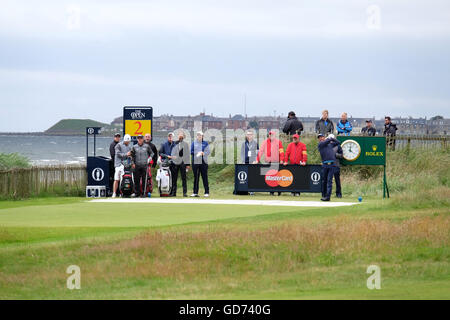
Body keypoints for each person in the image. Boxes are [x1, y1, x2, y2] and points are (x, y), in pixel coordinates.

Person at [255, 130, 285, 196]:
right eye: (270, 134)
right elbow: (261, 152)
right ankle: (271, 192)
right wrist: (257, 160)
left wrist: (282, 160)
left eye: (272, 135)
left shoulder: (278, 142)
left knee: (277, 177)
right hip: (268, 162)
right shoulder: (265, 142)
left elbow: (281, 152)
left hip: (276, 162)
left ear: (274, 135)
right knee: (270, 178)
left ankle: (279, 191)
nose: (271, 136)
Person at [317, 133, 341, 201]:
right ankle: (324, 195)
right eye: (319, 137)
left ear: (324, 137)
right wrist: (329, 138)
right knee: (324, 181)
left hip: (332, 164)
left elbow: (338, 142)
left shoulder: (330, 144)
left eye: (322, 137)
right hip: (325, 164)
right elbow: (326, 141)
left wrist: (332, 138)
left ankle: (328, 197)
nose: (321, 138)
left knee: (329, 181)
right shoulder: (320, 144)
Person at [191, 131, 210, 197]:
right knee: (196, 177)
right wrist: (197, 152)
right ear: (197, 136)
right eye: (198, 135)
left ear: (202, 136)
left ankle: (206, 192)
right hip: (195, 162)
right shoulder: (194, 143)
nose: (199, 136)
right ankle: (195, 192)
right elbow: (191, 151)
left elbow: (208, 152)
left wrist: (203, 153)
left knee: (204, 177)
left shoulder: (205, 143)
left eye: (200, 135)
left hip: (203, 162)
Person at [171, 131, 190, 197]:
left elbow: (187, 155)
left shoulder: (186, 144)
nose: (180, 136)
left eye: (182, 135)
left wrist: (188, 165)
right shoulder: (174, 143)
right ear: (178, 136)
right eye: (179, 135)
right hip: (175, 163)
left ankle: (184, 193)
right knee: (174, 178)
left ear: (184, 137)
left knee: (184, 178)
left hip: (183, 163)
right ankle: (174, 192)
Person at [328, 134, 343, 198]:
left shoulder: (338, 146)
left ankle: (338, 193)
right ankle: (328, 193)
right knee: (328, 180)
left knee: (337, 180)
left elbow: (341, 155)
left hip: (336, 165)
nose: (331, 141)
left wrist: (335, 154)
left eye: (332, 139)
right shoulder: (326, 146)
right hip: (328, 165)